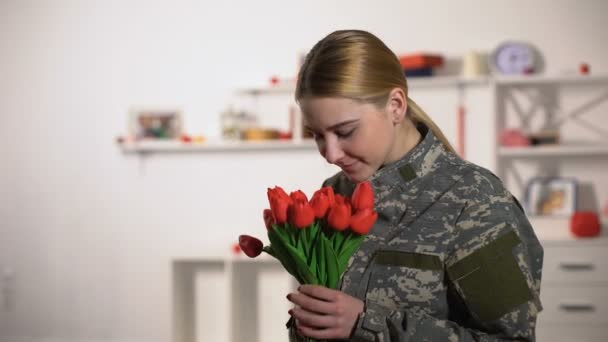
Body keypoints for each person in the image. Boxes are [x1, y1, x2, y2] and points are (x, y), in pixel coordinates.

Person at [285, 29, 543, 341]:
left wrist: (366, 322)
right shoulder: (336, 192)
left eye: (345, 131)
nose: (330, 154)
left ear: (395, 105)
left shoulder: (474, 200)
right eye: (317, 135)